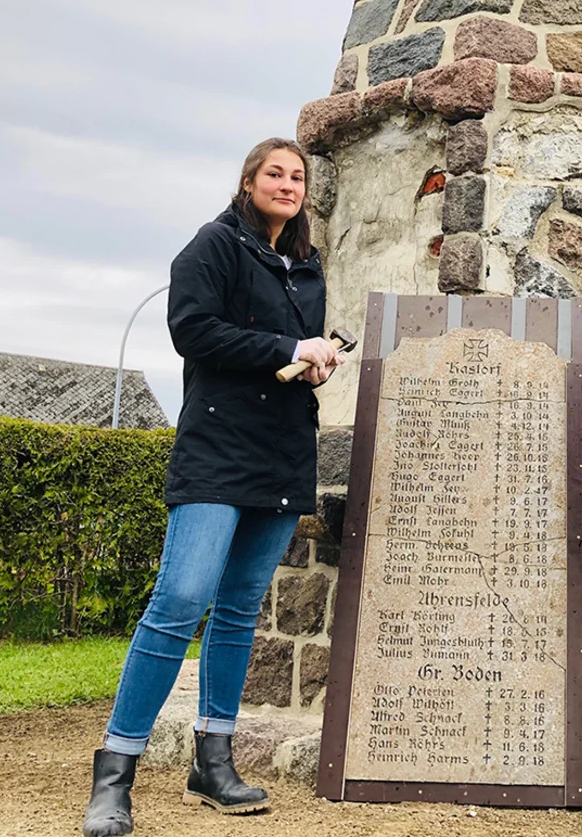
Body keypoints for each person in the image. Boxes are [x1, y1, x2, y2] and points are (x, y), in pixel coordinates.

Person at [81, 138, 345, 837]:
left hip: (282, 452)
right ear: (248, 181)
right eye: (275, 174)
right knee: (179, 601)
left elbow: (287, 350)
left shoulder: (307, 266)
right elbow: (193, 331)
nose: (288, 185)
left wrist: (315, 362)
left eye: (297, 177)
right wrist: (288, 348)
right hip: (217, 450)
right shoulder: (214, 245)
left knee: (238, 612)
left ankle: (214, 762)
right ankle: (116, 773)